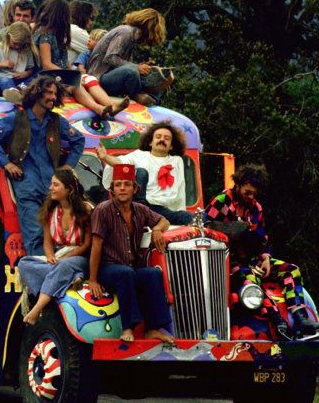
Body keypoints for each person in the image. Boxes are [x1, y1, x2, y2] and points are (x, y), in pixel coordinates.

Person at [204, 164, 319, 340]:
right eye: (248, 192)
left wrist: (265, 258)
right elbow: (206, 226)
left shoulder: (256, 208)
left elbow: (262, 238)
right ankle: (277, 320)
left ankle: (301, 319)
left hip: (253, 259)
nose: (251, 197)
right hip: (228, 261)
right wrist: (234, 229)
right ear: (238, 185)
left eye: (254, 194)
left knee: (291, 270)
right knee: (251, 279)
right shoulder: (222, 200)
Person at [0, 75, 85, 255]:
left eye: (55, 94)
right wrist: (6, 163)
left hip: (52, 188)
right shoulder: (16, 118)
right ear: (37, 93)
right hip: (27, 187)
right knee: (36, 236)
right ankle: (40, 276)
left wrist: (68, 166)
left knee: (59, 235)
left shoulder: (56, 121)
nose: (53, 97)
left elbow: (79, 139)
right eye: (49, 93)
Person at [89, 163, 174, 343]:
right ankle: (128, 328)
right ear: (112, 189)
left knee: (153, 273)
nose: (122, 188)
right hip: (108, 269)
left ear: (135, 189)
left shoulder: (140, 209)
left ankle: (153, 328)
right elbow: (95, 247)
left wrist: (157, 230)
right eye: (118, 184)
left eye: (127, 184)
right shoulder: (103, 210)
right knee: (125, 273)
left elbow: (164, 220)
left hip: (131, 268)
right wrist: (93, 280)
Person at [18, 169, 92, 324]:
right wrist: (51, 256)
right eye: (51, 184)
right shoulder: (50, 211)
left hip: (81, 257)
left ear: (69, 189)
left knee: (64, 265)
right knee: (24, 263)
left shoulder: (86, 209)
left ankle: (37, 308)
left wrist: (63, 258)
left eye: (55, 185)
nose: (50, 188)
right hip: (59, 258)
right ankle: (72, 277)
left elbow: (87, 244)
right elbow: (47, 242)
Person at [33, 0, 128, 119]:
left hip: (60, 74)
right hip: (48, 75)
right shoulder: (44, 35)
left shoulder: (58, 34)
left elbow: (64, 61)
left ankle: (110, 105)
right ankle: (98, 108)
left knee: (88, 79)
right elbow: (46, 64)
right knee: (76, 86)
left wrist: (73, 73)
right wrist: (70, 77)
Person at [98, 121, 194, 225]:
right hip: (143, 207)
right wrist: (105, 157)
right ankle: (138, 214)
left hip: (163, 211)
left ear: (171, 146)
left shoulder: (176, 161)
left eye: (167, 138)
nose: (162, 140)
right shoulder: (140, 155)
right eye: (158, 137)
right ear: (150, 142)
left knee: (191, 217)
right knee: (141, 172)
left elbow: (180, 187)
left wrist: (179, 211)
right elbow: (121, 164)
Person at [86, 8, 167, 107]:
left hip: (111, 76)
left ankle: (152, 100)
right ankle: (137, 96)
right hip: (99, 78)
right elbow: (110, 58)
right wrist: (136, 67)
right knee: (131, 71)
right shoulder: (126, 32)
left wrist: (141, 67)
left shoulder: (132, 36)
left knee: (154, 77)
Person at [0, 22, 37, 104]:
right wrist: (1, 64)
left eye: (20, 45)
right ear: (8, 36)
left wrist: (25, 74)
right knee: (4, 80)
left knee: (39, 75)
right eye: (15, 43)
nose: (17, 47)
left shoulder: (26, 50)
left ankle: (19, 92)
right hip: (2, 81)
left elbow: (31, 69)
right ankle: (15, 95)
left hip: (20, 81)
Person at [67, 0, 98, 65]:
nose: (91, 22)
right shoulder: (75, 31)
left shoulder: (69, 28)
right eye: (89, 18)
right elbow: (100, 51)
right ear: (83, 17)